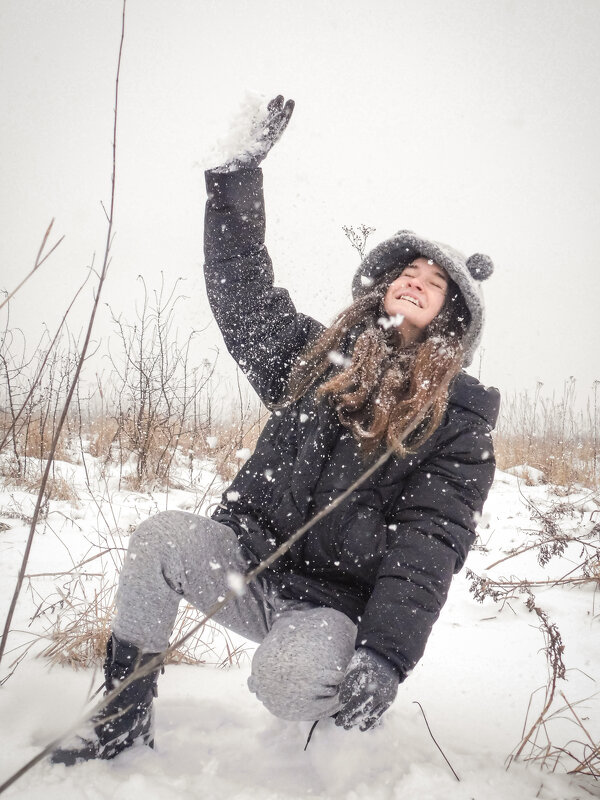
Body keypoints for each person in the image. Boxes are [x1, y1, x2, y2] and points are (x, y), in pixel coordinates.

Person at [51, 96, 500, 765]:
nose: (416, 279)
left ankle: (351, 740)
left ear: (451, 318)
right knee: (162, 540)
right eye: (408, 270)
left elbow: (428, 546)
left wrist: (383, 657)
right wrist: (235, 181)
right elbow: (242, 294)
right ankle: (119, 720)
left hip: (330, 611)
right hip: (248, 569)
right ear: (382, 289)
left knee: (286, 682)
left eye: (434, 281)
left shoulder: (455, 423)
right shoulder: (318, 359)